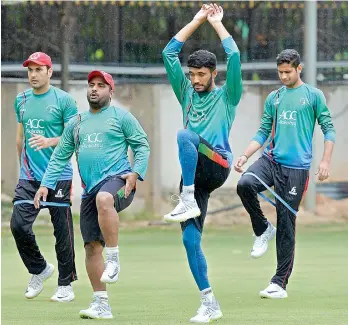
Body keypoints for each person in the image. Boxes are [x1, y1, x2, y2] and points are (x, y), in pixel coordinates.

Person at [34, 70, 150, 319]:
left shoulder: (122, 117)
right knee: (90, 246)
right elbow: (60, 156)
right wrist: (45, 184)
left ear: (111, 91)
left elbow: (142, 145)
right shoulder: (76, 123)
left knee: (104, 199)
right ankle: (101, 304)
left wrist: (135, 172)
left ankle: (114, 259)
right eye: (91, 85)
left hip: (119, 181)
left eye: (100, 85)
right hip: (90, 190)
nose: (94, 89)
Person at [162, 4, 242, 323]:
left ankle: (186, 199)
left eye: (200, 74)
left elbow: (234, 56)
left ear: (213, 74)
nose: (194, 80)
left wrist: (217, 24)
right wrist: (196, 21)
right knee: (189, 240)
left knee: (185, 135)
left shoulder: (228, 96)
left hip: (218, 164)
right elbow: (169, 53)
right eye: (192, 74)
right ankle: (209, 302)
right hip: (193, 175)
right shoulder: (185, 92)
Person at [235, 49, 335, 299]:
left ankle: (279, 283)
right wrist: (245, 155)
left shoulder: (313, 96)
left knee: (286, 222)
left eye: (287, 72)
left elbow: (329, 130)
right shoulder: (274, 98)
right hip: (271, 160)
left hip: (296, 170)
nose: (283, 76)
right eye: (280, 72)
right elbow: (263, 131)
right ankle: (261, 229)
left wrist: (325, 161)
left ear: (299, 69)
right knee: (245, 183)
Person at [10, 52, 78, 302]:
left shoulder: (65, 101)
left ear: (50, 72)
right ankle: (39, 268)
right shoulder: (21, 100)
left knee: (62, 230)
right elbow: (21, 136)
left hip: (58, 174)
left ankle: (65, 284)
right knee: (18, 225)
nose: (33, 74)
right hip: (28, 176)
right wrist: (21, 168)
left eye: (39, 70)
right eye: (30, 70)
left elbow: (74, 137)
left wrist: (50, 141)